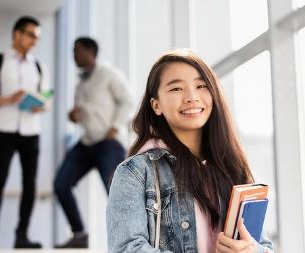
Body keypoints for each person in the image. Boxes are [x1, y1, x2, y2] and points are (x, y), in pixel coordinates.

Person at [106, 49, 274, 253]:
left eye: (201, 85)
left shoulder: (234, 169)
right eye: (176, 89)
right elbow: (127, 249)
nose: (191, 97)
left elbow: (264, 246)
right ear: (156, 105)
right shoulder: (135, 173)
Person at [54, 37, 132, 248]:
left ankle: (130, 241)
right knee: (61, 184)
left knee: (115, 192)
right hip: (87, 142)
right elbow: (82, 114)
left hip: (109, 142)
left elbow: (127, 102)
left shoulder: (109, 74)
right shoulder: (80, 84)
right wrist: (74, 117)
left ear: (90, 51)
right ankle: (79, 235)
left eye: (76, 51)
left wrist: (115, 126)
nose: (73, 55)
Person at [0, 16, 50, 250]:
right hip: (6, 129)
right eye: (31, 35)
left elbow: (47, 99)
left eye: (37, 37)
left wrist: (40, 104)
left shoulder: (39, 66)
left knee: (29, 184)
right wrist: (7, 99)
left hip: (31, 131)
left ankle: (22, 235)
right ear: (17, 34)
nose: (34, 41)